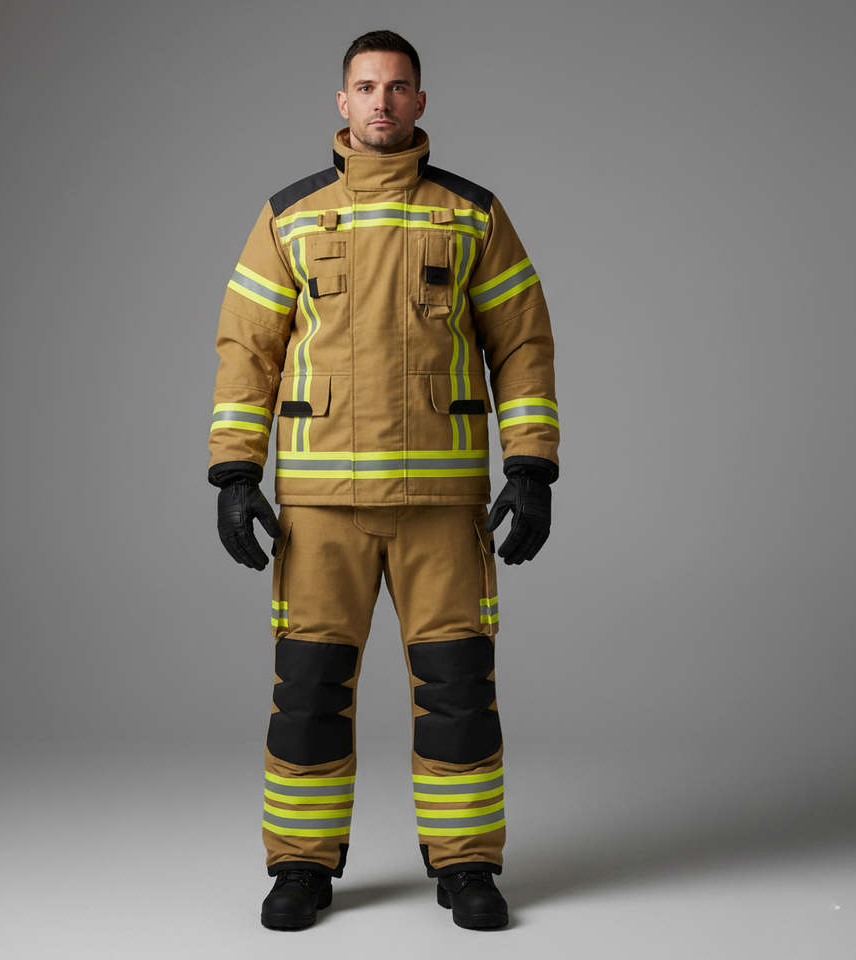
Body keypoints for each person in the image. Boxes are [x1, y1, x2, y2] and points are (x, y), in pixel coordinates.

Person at [207, 29, 560, 930]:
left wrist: (530, 466)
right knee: (308, 690)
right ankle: (301, 866)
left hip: (442, 506)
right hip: (319, 509)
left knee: (458, 689)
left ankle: (468, 865)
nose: (381, 102)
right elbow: (247, 349)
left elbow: (521, 342)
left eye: (398, 87)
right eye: (365, 87)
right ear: (342, 102)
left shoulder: (473, 215)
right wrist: (235, 473)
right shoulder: (289, 217)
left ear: (420, 102)